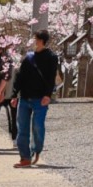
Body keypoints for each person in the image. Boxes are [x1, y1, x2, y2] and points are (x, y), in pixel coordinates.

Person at [13, 28, 60, 168]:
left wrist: (48, 95)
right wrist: (15, 94)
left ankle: (36, 149)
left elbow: (51, 77)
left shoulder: (51, 57)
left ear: (42, 41)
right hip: (25, 97)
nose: (35, 42)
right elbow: (20, 77)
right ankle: (25, 157)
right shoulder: (28, 57)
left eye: (37, 39)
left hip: (40, 99)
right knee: (22, 128)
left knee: (38, 127)